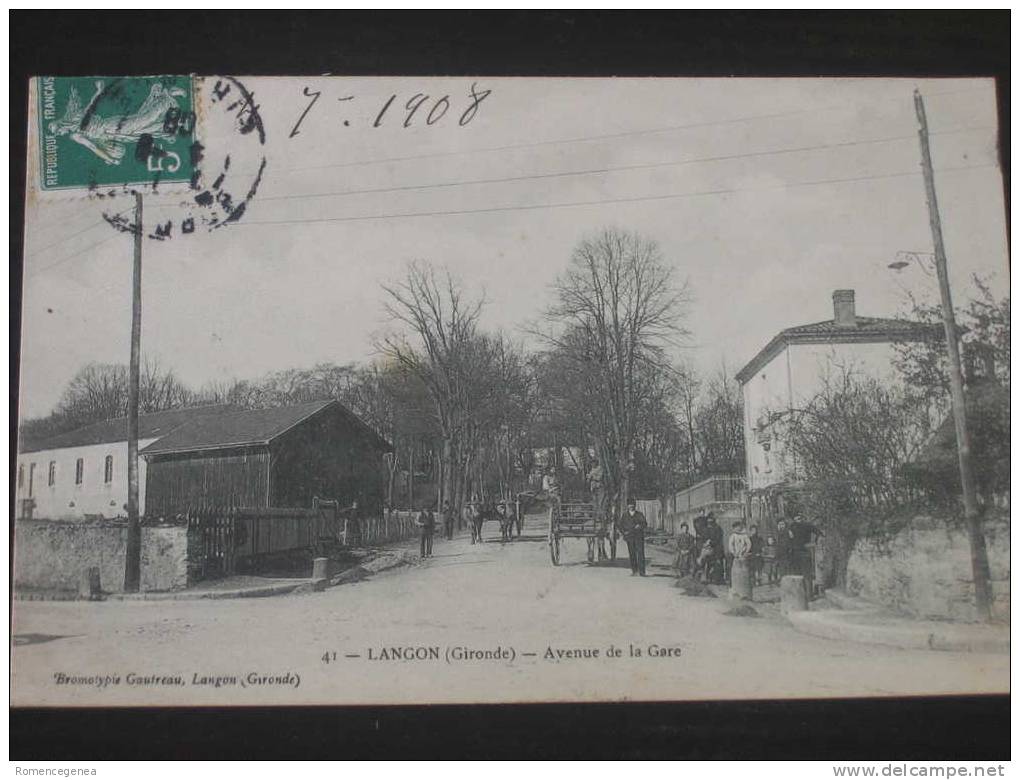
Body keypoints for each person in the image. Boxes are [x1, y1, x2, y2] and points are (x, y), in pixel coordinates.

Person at [617, 498, 648, 576]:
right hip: (630, 537)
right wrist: (624, 533)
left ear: (635, 505)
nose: (631, 506)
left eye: (632, 504)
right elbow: (620, 526)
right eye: (629, 505)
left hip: (638, 537)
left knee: (640, 553)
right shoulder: (625, 515)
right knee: (632, 554)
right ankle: (634, 571)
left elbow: (645, 523)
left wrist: (640, 526)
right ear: (627, 506)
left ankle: (642, 571)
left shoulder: (639, 514)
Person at [704, 513, 725, 584]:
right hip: (710, 549)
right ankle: (709, 578)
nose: (709, 522)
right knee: (709, 563)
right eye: (708, 520)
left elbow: (718, 539)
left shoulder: (718, 528)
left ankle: (718, 579)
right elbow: (704, 537)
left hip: (717, 549)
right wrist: (706, 543)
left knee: (718, 563)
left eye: (711, 520)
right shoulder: (706, 528)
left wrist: (710, 542)